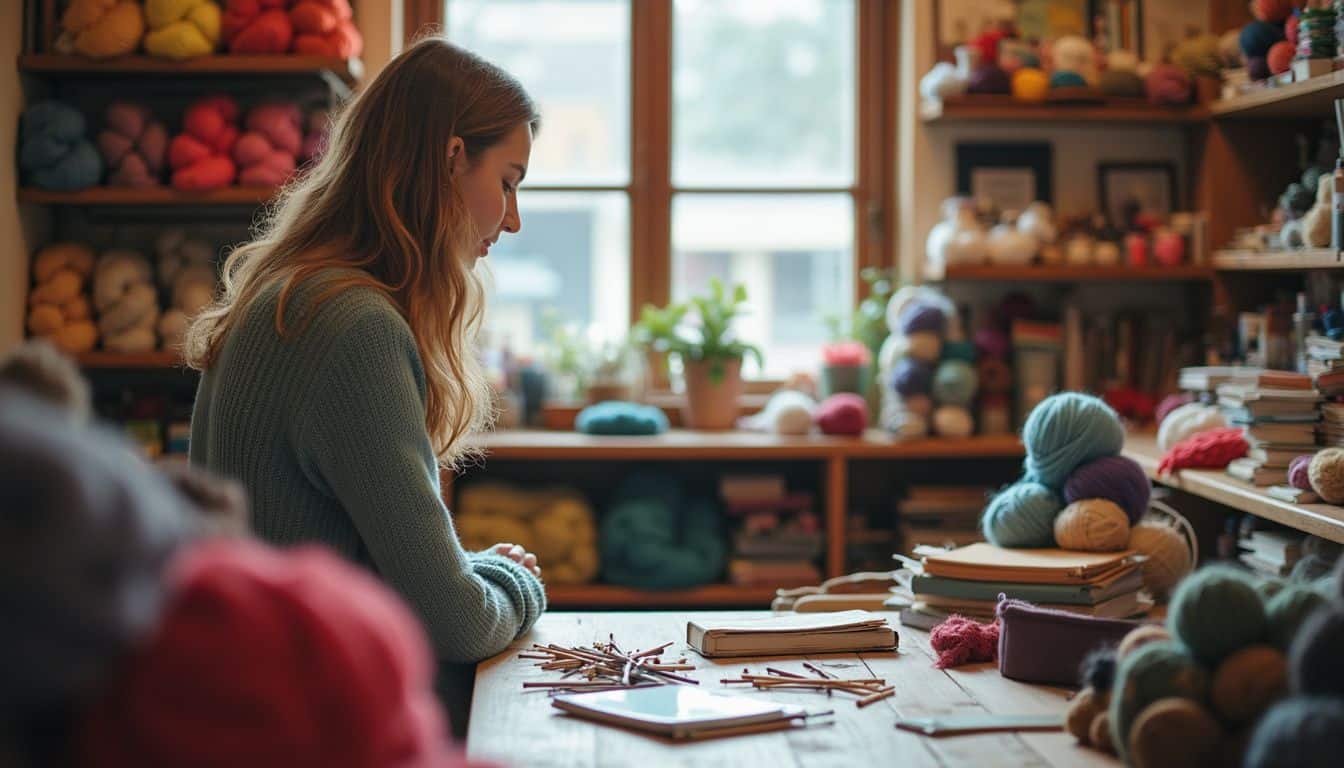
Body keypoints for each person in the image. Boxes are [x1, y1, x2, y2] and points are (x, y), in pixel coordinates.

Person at [182, 37, 547, 707]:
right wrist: (517, 584)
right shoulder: (353, 328)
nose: (513, 219)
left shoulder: (296, 293)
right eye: (509, 182)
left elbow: (380, 564)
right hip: (306, 721)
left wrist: (474, 573)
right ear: (452, 159)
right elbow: (459, 622)